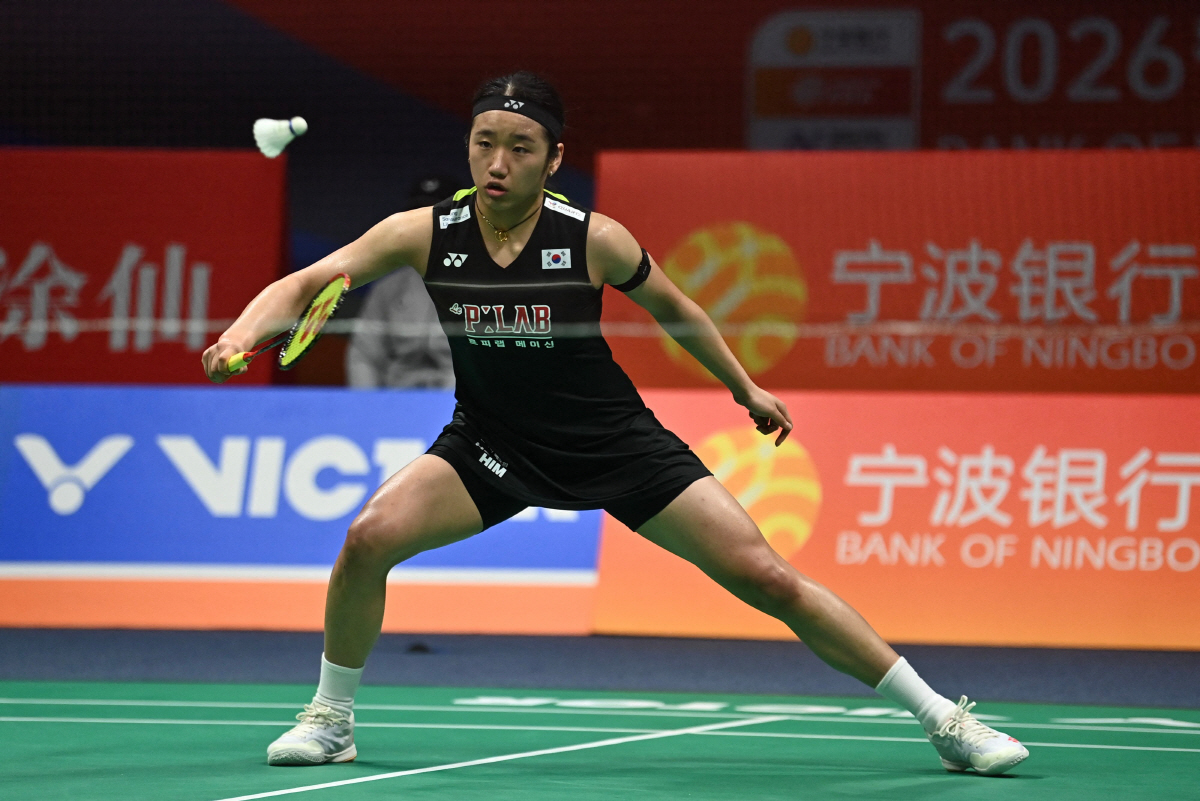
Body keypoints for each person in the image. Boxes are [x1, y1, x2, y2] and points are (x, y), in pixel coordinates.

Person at [202, 71, 1029, 777]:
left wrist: (745, 388)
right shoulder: (426, 235)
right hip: (491, 443)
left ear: (554, 158)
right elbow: (308, 280)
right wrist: (243, 336)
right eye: (484, 142)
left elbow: (678, 310)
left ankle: (945, 721)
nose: (497, 163)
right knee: (367, 538)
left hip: (617, 444)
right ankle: (331, 718)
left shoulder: (590, 239)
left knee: (769, 579)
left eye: (520, 148)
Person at [345, 175, 458, 389]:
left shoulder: (488, 284)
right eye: (417, 214)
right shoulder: (388, 287)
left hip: (460, 405)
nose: (426, 223)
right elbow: (364, 356)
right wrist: (368, 408)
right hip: (398, 400)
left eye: (438, 214)